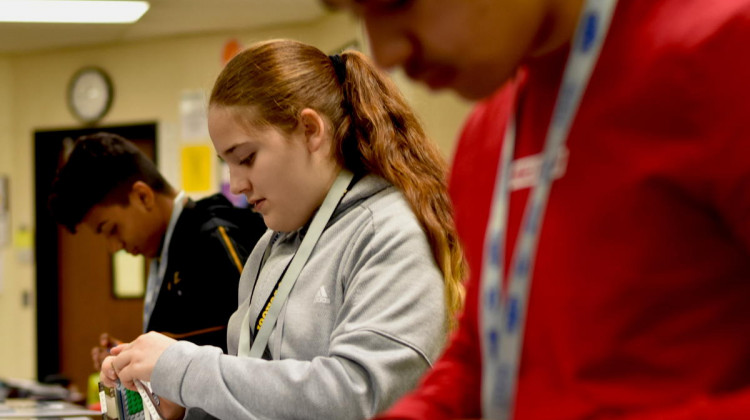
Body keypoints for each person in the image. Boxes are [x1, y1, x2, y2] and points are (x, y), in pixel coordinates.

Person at [327, 0, 750, 419]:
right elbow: (487, 355)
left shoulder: (724, 51)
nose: (385, 53)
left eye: (394, 3)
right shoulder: (487, 137)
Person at [98, 39, 466, 420]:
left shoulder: (389, 231)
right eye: (227, 163)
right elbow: (262, 388)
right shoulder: (270, 248)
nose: (236, 184)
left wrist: (187, 370)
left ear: (310, 130)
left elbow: (360, 396)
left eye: (246, 158)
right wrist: (186, 398)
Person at [48, 132, 266, 364]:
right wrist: (131, 353)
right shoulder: (168, 248)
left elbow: (253, 343)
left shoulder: (212, 236)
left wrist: (150, 354)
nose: (114, 246)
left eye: (111, 229)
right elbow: (197, 339)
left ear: (142, 197)